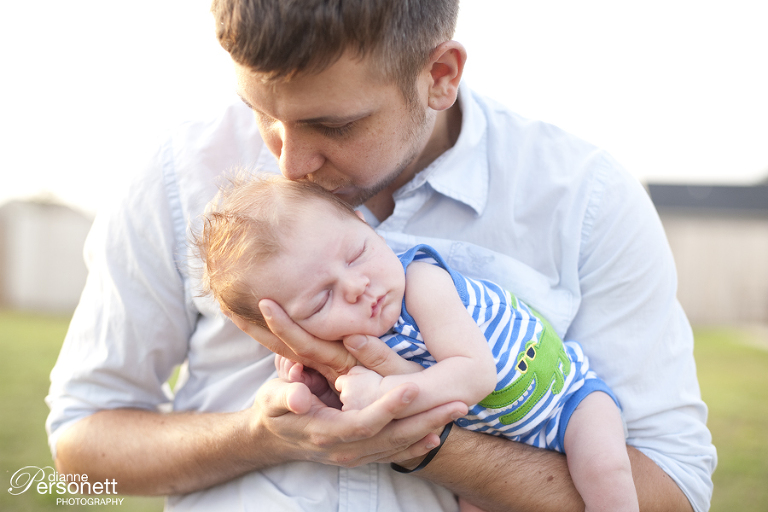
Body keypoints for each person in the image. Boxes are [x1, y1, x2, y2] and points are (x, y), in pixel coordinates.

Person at [46, 1, 716, 511]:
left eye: (332, 125)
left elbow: (674, 485)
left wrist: (424, 443)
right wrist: (261, 434)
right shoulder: (174, 177)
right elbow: (80, 457)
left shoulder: (585, 199)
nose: (289, 161)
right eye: (259, 112)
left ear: (440, 75)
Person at [195, 174, 639, 512]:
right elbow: (345, 406)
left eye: (355, 254)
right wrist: (314, 388)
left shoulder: (421, 281)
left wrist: (385, 395)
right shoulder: (340, 342)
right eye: (321, 300)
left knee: (604, 470)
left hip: (569, 401)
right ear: (290, 327)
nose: (355, 286)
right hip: (504, 446)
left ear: (363, 223)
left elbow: (474, 373)